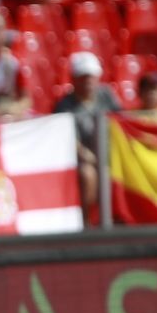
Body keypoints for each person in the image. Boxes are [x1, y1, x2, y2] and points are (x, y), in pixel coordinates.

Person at [54, 51, 120, 206]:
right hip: (83, 159)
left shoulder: (107, 96)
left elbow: (121, 122)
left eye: (91, 76)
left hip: (112, 154)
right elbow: (67, 140)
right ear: (74, 79)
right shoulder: (64, 106)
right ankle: (87, 218)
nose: (88, 81)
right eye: (83, 77)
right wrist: (87, 155)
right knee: (87, 174)